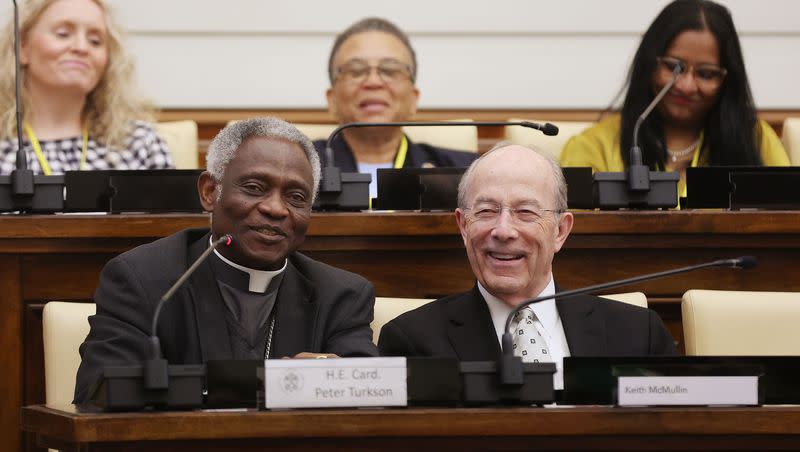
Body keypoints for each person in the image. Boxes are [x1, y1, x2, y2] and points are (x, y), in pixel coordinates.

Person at [74, 117, 378, 403]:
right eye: (255, 188)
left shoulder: (341, 295)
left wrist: (333, 371)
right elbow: (97, 392)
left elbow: (372, 396)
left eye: (296, 197)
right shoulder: (143, 279)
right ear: (210, 192)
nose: (276, 208)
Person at [379, 144, 676, 390]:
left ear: (560, 231)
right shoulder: (412, 341)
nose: (503, 230)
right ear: (462, 225)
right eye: (485, 211)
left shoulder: (638, 334)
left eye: (525, 212)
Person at [560, 0, 788, 197]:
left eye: (706, 73)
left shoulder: (757, 139)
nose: (686, 85)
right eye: (673, 67)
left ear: (727, 81)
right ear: (649, 64)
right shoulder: (593, 145)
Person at [0, 0, 172, 175]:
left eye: (95, 41)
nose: (82, 48)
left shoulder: (140, 144)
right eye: (63, 34)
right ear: (22, 47)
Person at [317, 17, 476, 198]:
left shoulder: (465, 173)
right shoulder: (302, 171)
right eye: (356, 71)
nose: (373, 82)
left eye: (390, 70)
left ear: (413, 100)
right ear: (332, 101)